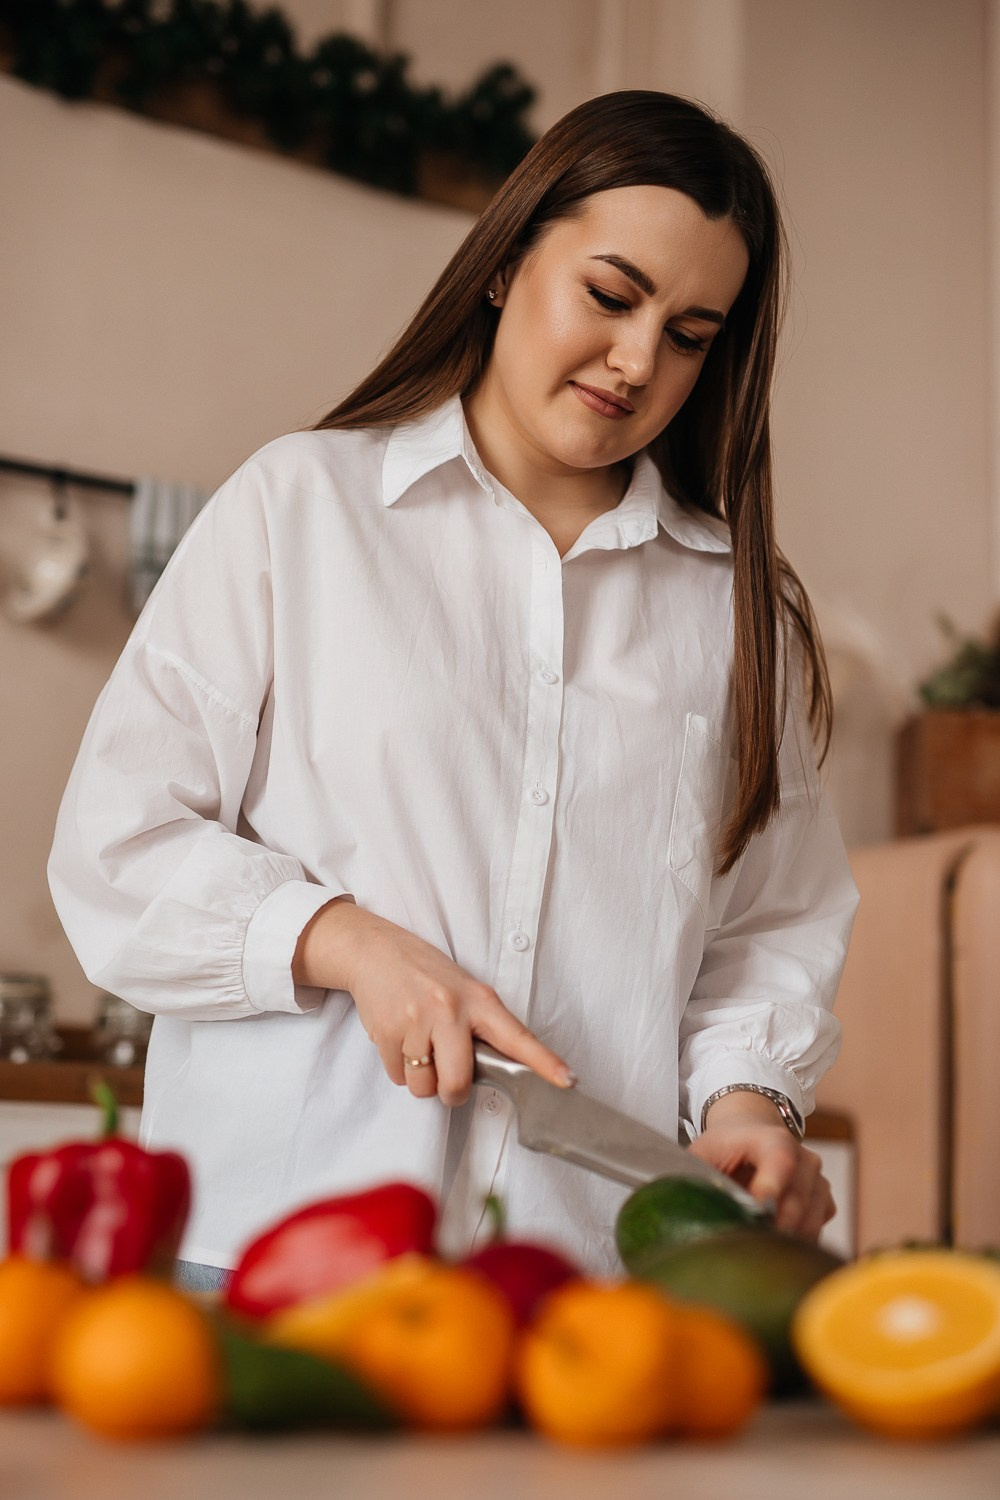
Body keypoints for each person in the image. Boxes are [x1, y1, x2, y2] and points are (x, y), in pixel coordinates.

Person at [48, 91, 859, 1291]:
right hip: (272, 1252)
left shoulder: (738, 614)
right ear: (504, 262)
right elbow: (117, 844)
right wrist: (344, 942)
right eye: (610, 295)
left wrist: (749, 1105)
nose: (639, 361)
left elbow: (764, 932)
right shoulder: (299, 508)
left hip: (573, 1278)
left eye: (690, 334)